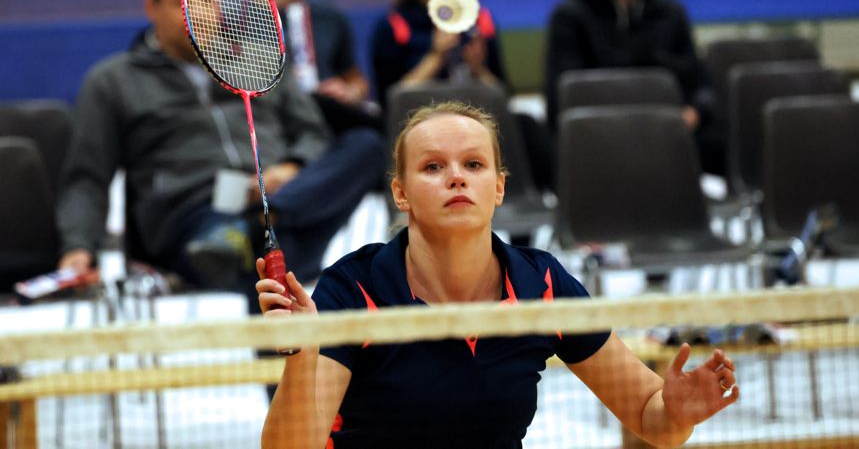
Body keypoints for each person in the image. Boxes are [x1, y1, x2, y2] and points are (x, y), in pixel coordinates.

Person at [256, 101, 740, 448]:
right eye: (432, 167)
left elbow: (650, 417)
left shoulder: (542, 287)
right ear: (400, 194)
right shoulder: (355, 288)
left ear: (500, 187)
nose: (456, 177)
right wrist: (304, 352)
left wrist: (676, 414)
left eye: (473, 164)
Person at [56, 0, 385, 313]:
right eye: (183, 2)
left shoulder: (259, 60)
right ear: (151, 8)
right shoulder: (113, 81)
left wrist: (292, 168)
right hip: (195, 222)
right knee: (241, 260)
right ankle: (251, 235)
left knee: (367, 146)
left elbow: (312, 133)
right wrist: (78, 247)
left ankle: (264, 219)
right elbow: (87, 177)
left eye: (208, 0)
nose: (198, 13)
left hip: (283, 204)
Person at [370, 0, 554, 193]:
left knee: (525, 125)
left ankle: (544, 205)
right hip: (420, 130)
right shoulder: (394, 25)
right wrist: (435, 58)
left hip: (477, 126)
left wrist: (478, 69)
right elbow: (389, 103)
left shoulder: (481, 21)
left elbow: (503, 94)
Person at [545, 0, 723, 175]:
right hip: (598, 140)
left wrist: (693, 114)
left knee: (720, 140)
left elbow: (700, 84)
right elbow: (559, 99)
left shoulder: (670, 13)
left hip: (666, 134)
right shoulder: (570, 17)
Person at [261, 0, 382, 134]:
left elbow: (356, 80)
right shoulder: (234, 17)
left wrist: (349, 92)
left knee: (368, 140)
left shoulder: (329, 16)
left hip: (329, 125)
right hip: (270, 129)